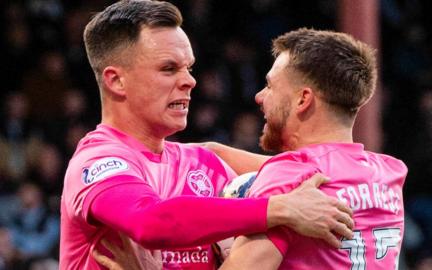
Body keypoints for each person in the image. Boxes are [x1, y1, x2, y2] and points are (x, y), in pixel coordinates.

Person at [59, 1, 355, 270]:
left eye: (188, 68)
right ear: (116, 81)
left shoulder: (204, 163)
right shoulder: (96, 162)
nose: (189, 81)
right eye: (168, 68)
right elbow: (151, 221)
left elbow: (323, 181)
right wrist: (279, 209)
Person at [92, 28, 408, 270]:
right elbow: (313, 167)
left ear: (303, 99)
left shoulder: (290, 182)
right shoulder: (389, 174)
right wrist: (201, 151)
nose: (259, 96)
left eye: (270, 86)